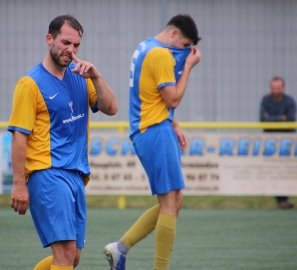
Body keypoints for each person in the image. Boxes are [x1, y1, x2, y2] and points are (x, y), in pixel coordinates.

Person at [8, 14, 118, 270]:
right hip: (47, 174)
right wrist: (18, 185)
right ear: (50, 39)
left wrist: (96, 77)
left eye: (76, 45)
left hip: (76, 175)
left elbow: (111, 107)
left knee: (73, 257)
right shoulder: (30, 84)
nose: (71, 50)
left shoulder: (81, 78)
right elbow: (19, 136)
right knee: (66, 254)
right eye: (65, 42)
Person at [104, 14, 201, 270]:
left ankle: (120, 249)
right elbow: (172, 99)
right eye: (184, 45)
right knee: (170, 203)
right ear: (174, 34)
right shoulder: (161, 55)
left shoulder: (146, 45)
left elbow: (152, 94)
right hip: (154, 131)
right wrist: (189, 66)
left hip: (155, 128)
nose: (184, 53)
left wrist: (175, 124)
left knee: (174, 201)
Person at [260, 76, 297, 209]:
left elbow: (291, 119)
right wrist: (281, 118)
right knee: (273, 169)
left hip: (287, 141)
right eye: (273, 88)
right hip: (271, 142)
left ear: (283, 88)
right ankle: (280, 200)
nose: (275, 91)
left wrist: (272, 119)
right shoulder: (266, 100)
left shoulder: (289, 101)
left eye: (278, 88)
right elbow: (262, 119)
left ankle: (285, 198)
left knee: (286, 169)